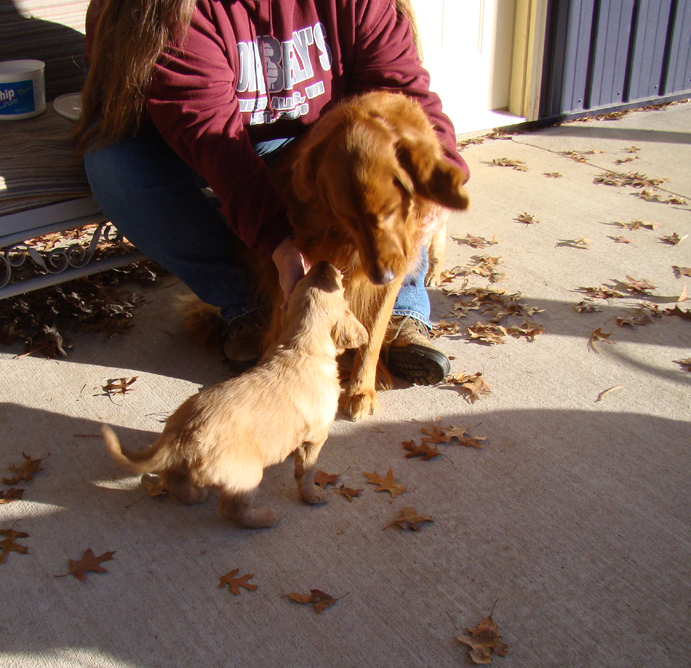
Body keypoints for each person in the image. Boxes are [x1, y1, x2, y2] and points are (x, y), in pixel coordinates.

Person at [74, 0, 469, 382]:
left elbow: (401, 93)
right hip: (188, 138)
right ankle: (247, 303)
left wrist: (439, 178)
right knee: (114, 167)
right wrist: (278, 240)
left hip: (311, 136)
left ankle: (399, 311)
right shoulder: (169, 9)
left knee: (367, 175)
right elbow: (212, 140)